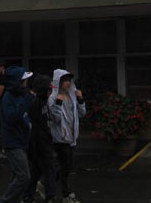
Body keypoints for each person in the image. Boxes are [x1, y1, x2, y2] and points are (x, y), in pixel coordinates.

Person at [0, 66, 35, 203]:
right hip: (13, 143)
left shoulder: (20, 95)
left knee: (16, 176)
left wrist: (28, 124)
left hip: (21, 140)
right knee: (23, 177)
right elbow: (12, 116)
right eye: (23, 80)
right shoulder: (8, 97)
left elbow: (23, 115)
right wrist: (27, 101)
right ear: (16, 82)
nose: (26, 83)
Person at [49, 69, 86, 203]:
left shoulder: (71, 96)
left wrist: (80, 99)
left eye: (69, 80)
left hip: (71, 136)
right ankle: (66, 194)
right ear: (58, 82)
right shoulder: (53, 98)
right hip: (59, 137)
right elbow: (56, 119)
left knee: (67, 165)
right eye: (64, 80)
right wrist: (58, 103)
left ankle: (47, 183)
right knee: (65, 165)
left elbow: (82, 113)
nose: (68, 83)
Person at [22, 74, 56, 203]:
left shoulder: (42, 102)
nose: (50, 92)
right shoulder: (35, 103)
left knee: (36, 169)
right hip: (40, 141)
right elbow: (34, 123)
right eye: (49, 89)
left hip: (41, 140)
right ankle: (50, 196)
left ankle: (28, 195)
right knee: (50, 168)